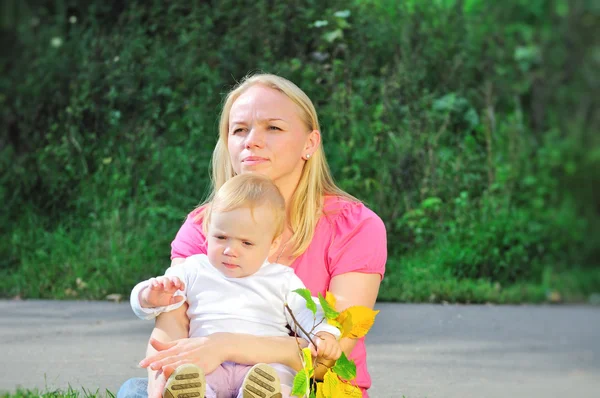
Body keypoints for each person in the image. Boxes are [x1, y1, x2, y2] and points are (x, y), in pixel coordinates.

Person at [117, 73, 387, 398]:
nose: (251, 141)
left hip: (311, 388)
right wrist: (165, 377)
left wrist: (225, 345)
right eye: (239, 129)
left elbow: (329, 357)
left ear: (309, 143)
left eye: (273, 128)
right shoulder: (204, 227)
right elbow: (171, 331)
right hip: (209, 383)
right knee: (135, 390)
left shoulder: (355, 226)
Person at [128, 173, 342, 398]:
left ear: (272, 244)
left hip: (261, 365)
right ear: (208, 228)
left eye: (246, 243)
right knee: (189, 377)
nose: (230, 250)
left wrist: (324, 334)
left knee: (280, 381)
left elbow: (309, 312)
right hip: (207, 364)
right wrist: (148, 296)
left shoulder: (282, 279)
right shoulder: (194, 269)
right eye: (221, 237)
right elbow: (150, 305)